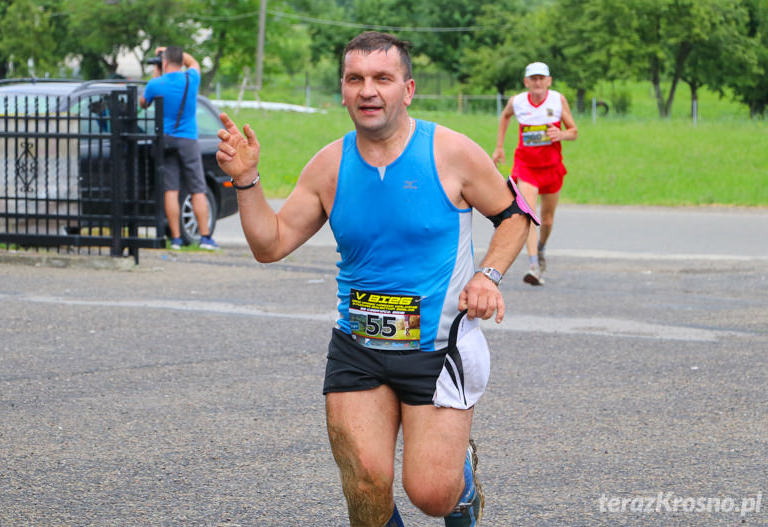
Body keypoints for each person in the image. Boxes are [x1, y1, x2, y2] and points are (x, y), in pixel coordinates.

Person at [216, 32, 537, 527]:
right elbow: (270, 244)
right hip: (358, 345)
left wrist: (487, 275)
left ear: (407, 89)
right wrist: (247, 180)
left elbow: (515, 215)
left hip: (438, 348)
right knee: (366, 485)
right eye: (355, 79)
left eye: (382, 78)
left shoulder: (451, 153)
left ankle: (462, 486)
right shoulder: (329, 164)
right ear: (342, 91)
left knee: (431, 493)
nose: (368, 90)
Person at [492, 62, 577, 286]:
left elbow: (574, 132)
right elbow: (505, 116)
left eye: (542, 78)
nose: (537, 82)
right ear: (526, 82)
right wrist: (499, 146)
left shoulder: (557, 100)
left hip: (551, 167)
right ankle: (533, 266)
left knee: (547, 220)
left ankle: (540, 248)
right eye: (533, 78)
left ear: (548, 81)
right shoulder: (517, 101)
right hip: (526, 166)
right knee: (528, 214)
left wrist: (561, 134)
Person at [140, 45, 218, 250]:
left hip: (165, 140)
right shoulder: (190, 79)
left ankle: (175, 239)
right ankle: (205, 238)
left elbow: (142, 104)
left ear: (164, 63)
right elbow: (194, 63)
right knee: (197, 189)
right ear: (180, 61)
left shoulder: (155, 84)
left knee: (171, 190)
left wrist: (156, 73)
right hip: (187, 139)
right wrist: (171, 52)